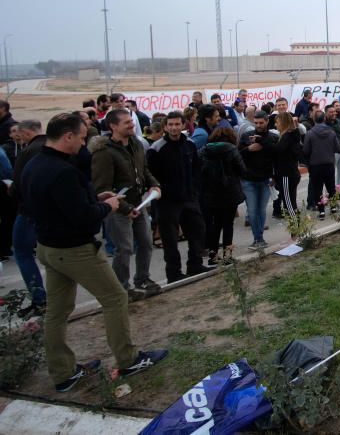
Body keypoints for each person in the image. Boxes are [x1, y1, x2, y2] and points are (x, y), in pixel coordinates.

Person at [20, 113, 167, 392]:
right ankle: (128, 359)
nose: (83, 142)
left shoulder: (35, 162)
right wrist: (108, 207)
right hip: (74, 249)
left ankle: (62, 373)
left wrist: (93, 198)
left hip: (48, 247)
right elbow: (83, 217)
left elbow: (50, 202)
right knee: (115, 297)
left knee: (57, 311)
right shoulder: (62, 171)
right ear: (67, 136)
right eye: (81, 136)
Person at [90, 109, 162, 299]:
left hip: (140, 203)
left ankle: (143, 279)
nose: (132, 125)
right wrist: (124, 208)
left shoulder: (136, 144)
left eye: (131, 121)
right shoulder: (104, 152)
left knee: (146, 244)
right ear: (113, 126)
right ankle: (121, 288)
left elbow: (143, 170)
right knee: (125, 248)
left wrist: (154, 185)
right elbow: (101, 188)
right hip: (119, 210)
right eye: (126, 123)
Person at [147, 111, 210, 283]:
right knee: (170, 240)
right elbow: (151, 175)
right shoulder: (156, 148)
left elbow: (196, 168)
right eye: (170, 125)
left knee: (197, 231)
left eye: (177, 124)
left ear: (183, 125)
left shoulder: (189, 144)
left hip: (189, 199)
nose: (174, 128)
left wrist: (195, 190)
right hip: (167, 202)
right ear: (165, 127)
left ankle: (195, 265)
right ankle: (174, 274)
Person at [10, 119, 47, 318]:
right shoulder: (52, 146)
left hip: (29, 211)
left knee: (23, 253)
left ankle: (39, 298)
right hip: (51, 209)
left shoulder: (27, 152)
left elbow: (17, 184)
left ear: (25, 133)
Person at [199, 126, 246, 265]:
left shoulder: (204, 150)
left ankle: (213, 255)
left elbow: (197, 170)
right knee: (228, 224)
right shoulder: (231, 150)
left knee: (215, 224)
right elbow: (242, 170)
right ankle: (227, 254)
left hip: (210, 192)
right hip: (229, 191)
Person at [239, 111, 276, 249]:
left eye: (261, 122)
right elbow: (238, 155)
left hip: (266, 180)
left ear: (267, 121)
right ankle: (257, 238)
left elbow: (276, 154)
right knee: (253, 211)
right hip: (249, 180)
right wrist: (249, 149)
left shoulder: (272, 137)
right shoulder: (246, 136)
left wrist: (274, 176)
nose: (259, 125)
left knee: (261, 210)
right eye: (256, 123)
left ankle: (259, 237)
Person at [303, 108, 340, 220]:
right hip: (329, 163)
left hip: (315, 165)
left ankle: (321, 210)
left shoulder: (310, 133)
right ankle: (333, 207)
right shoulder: (331, 132)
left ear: (314, 119)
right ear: (324, 118)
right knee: (331, 186)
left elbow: (306, 150)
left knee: (317, 188)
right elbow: (337, 148)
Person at [272, 112, 302, 219]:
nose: (276, 125)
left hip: (286, 175)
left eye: (277, 122)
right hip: (290, 174)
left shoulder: (287, 137)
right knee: (290, 203)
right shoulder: (289, 136)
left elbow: (278, 150)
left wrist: (262, 141)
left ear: (283, 123)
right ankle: (297, 230)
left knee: (289, 205)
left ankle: (295, 231)